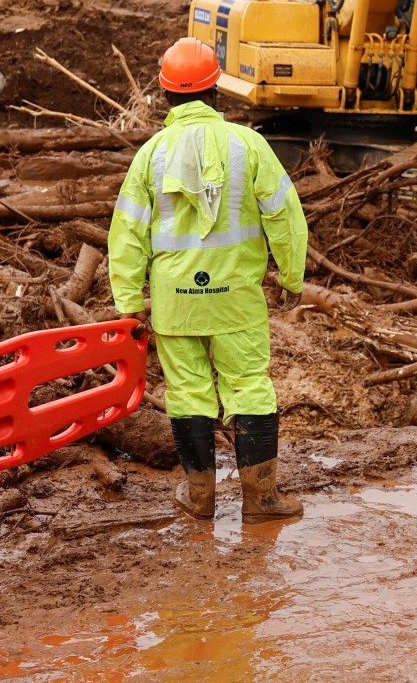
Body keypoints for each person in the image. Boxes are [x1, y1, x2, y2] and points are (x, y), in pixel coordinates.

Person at [109, 39, 308, 523]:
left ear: (165, 93)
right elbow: (285, 215)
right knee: (250, 388)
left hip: (176, 300)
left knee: (188, 393)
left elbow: (128, 233)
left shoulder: (151, 155)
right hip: (235, 299)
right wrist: (292, 274)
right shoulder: (249, 145)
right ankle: (261, 500)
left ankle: (200, 499)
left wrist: (128, 302)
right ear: (215, 88)